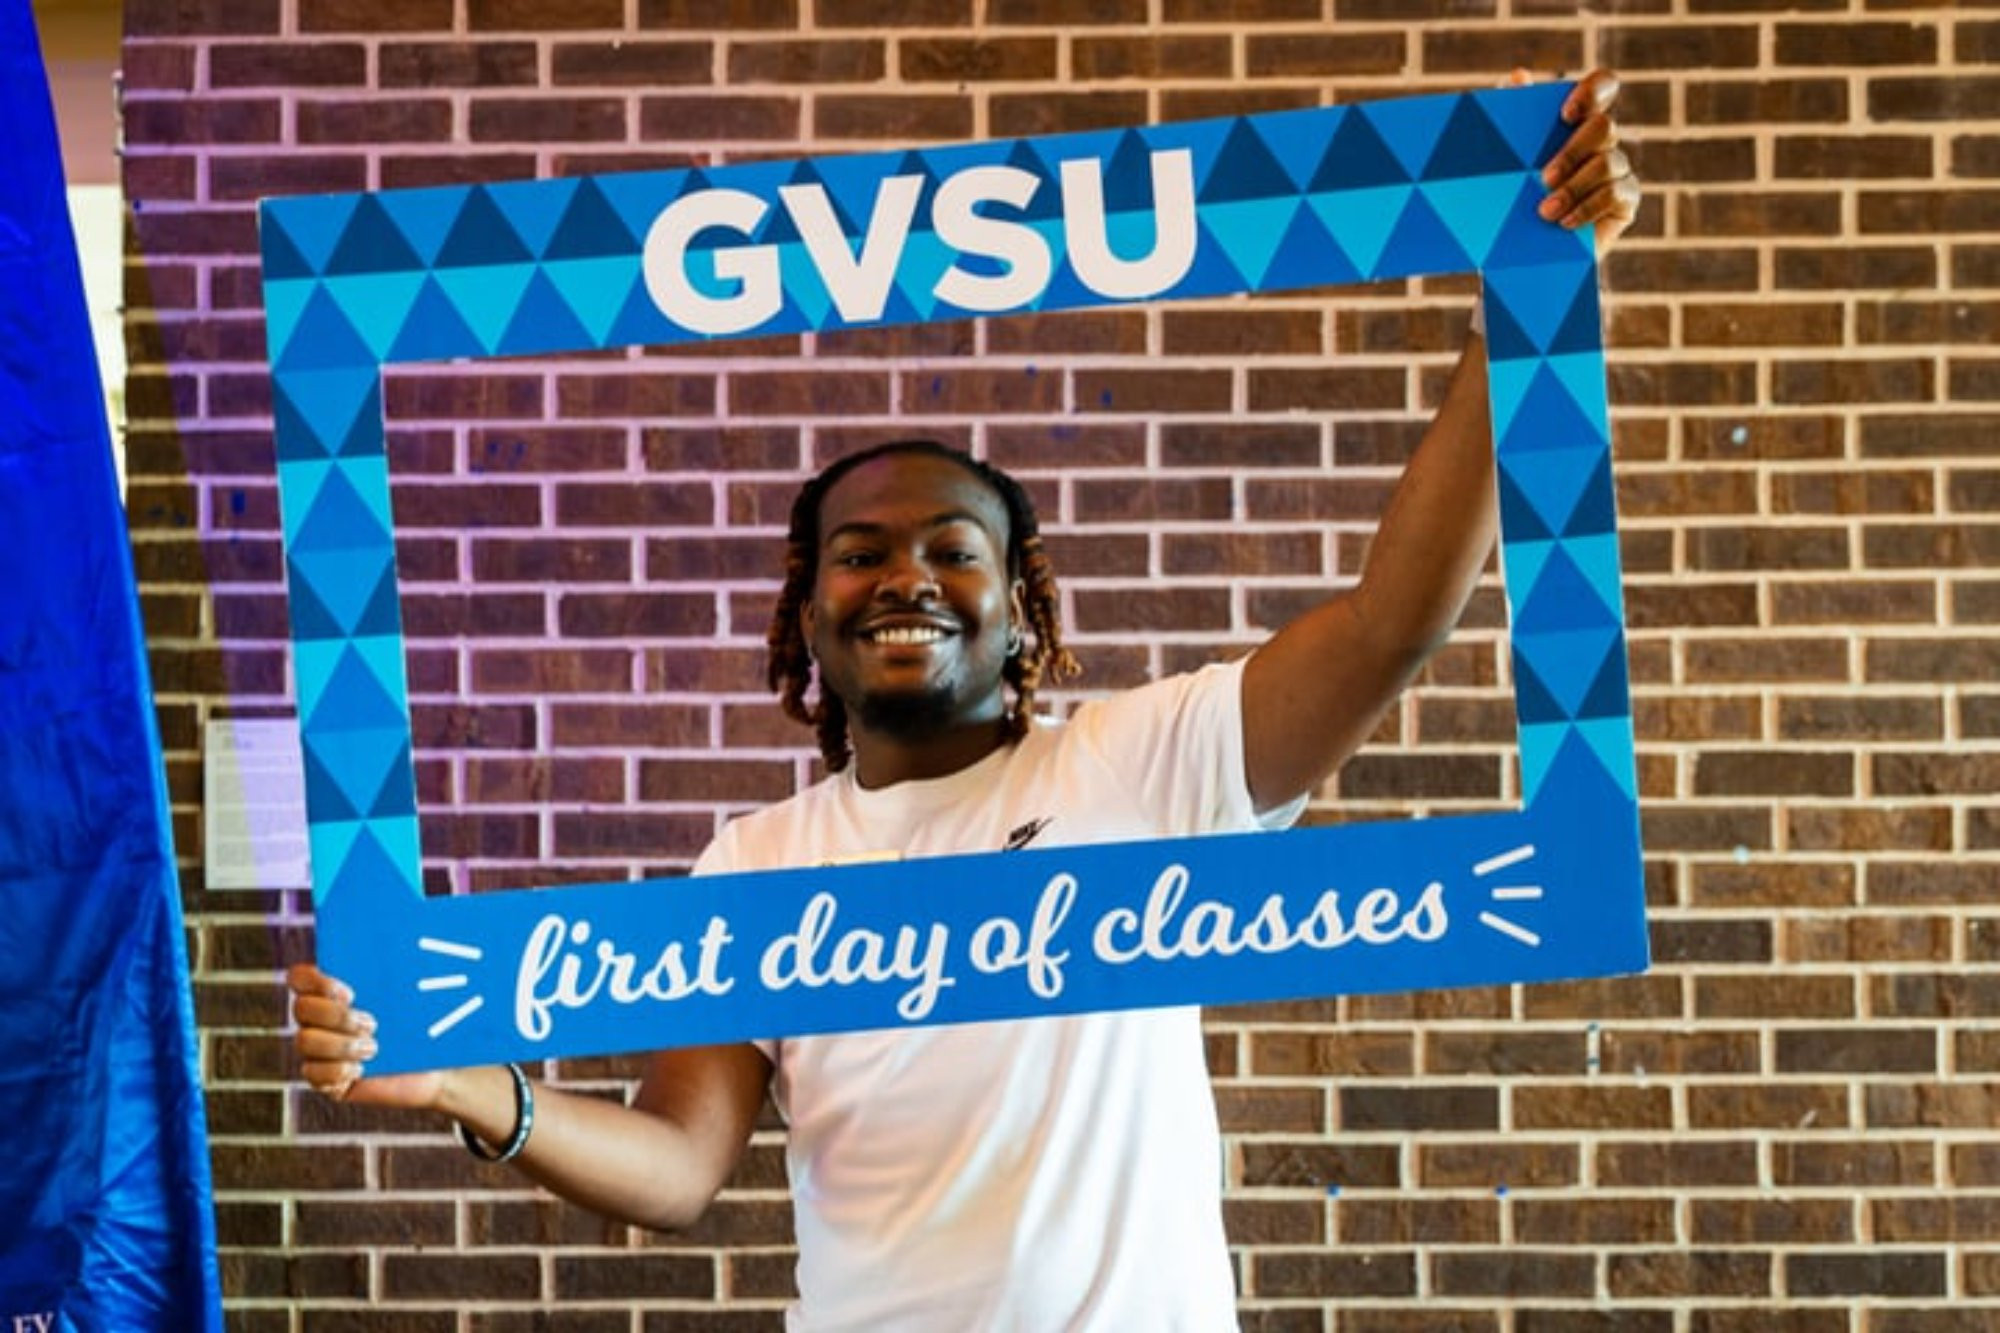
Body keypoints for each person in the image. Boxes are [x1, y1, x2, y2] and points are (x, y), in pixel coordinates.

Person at [290, 70, 1641, 1330]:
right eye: (860, 553)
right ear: (805, 615)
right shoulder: (756, 866)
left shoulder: (1144, 768)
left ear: (1022, 611)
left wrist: (1515, 318)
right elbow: (680, 1162)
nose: (905, 577)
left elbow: (1391, 623)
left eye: (954, 549)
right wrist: (466, 1082)